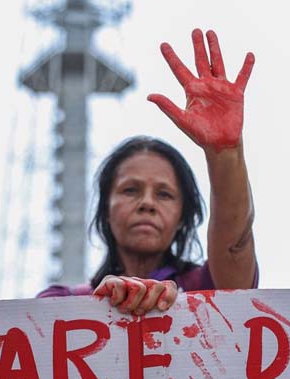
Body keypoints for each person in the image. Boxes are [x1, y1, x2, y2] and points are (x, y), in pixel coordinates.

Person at [38, 28, 257, 315]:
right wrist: (99, 307)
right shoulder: (60, 302)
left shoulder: (209, 288)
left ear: (183, 216)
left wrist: (225, 153)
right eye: (130, 190)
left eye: (164, 194)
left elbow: (235, 247)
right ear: (106, 208)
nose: (147, 203)